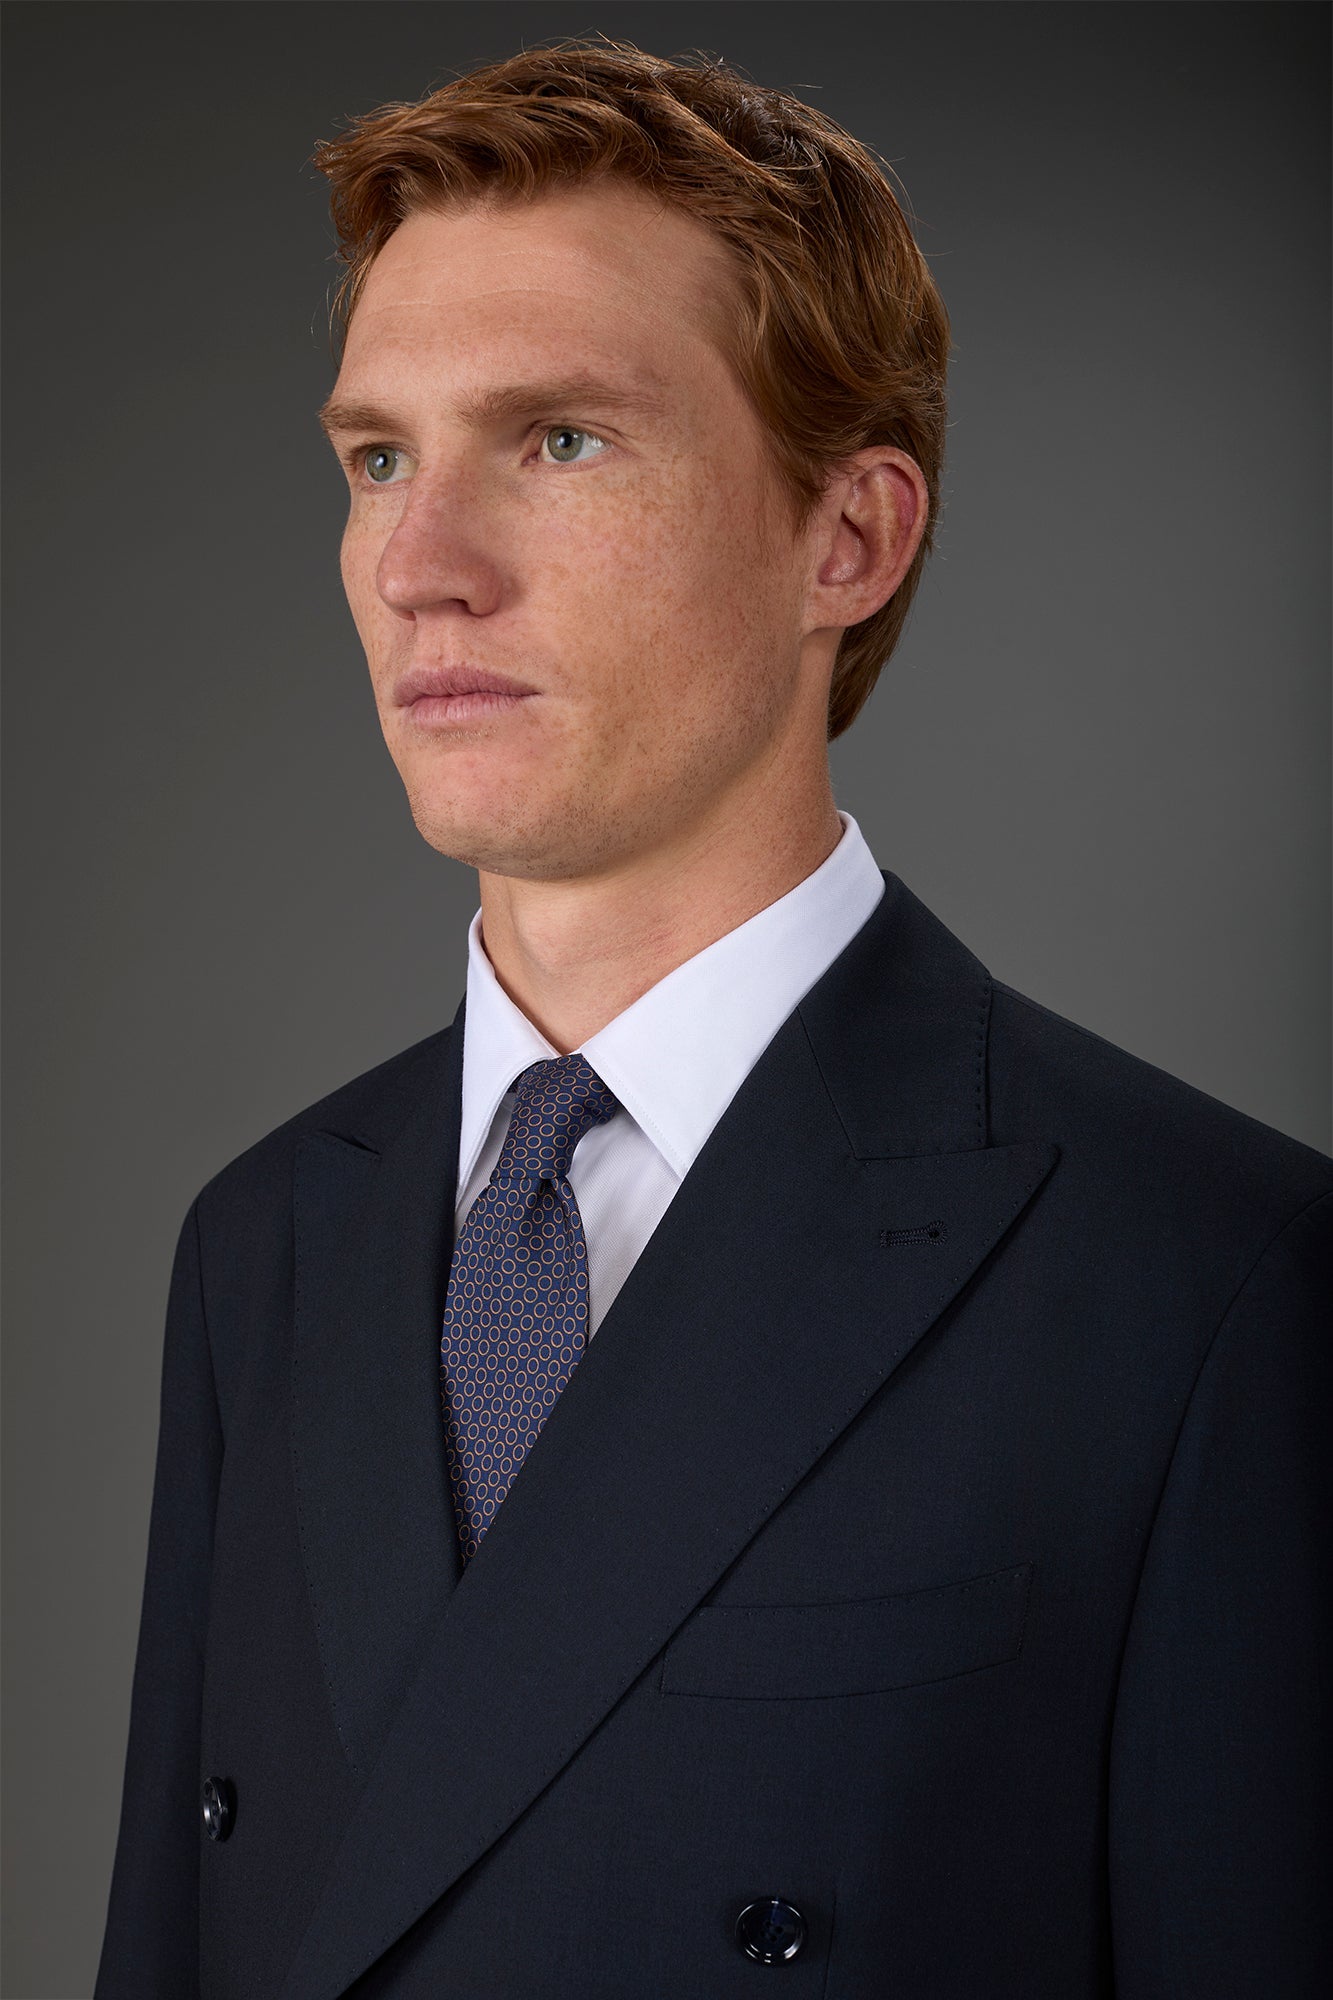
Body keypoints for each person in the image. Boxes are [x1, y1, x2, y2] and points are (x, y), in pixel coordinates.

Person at [94, 37, 1330, 2000]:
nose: (420, 567)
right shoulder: (263, 1243)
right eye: (379, 457)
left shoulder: (1213, 1282)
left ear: (848, 539)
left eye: (559, 440)